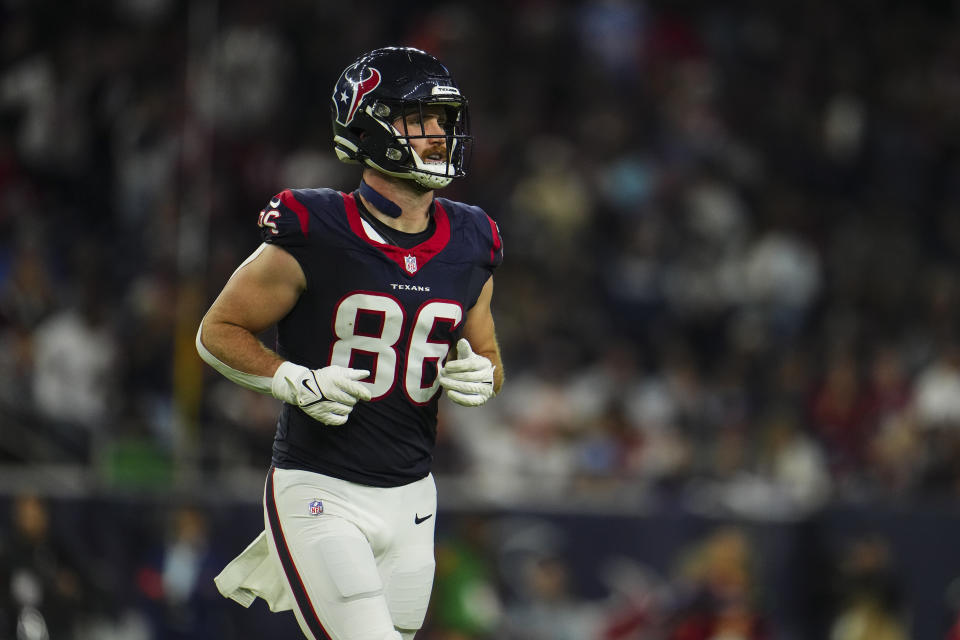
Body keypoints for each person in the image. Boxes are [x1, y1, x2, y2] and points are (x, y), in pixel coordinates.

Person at [196, 46, 504, 640]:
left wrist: (485, 375)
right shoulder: (316, 226)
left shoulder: (473, 237)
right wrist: (291, 379)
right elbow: (218, 330)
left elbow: (487, 353)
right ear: (373, 122)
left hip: (414, 495)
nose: (441, 134)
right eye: (423, 119)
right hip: (321, 488)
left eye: (445, 120)